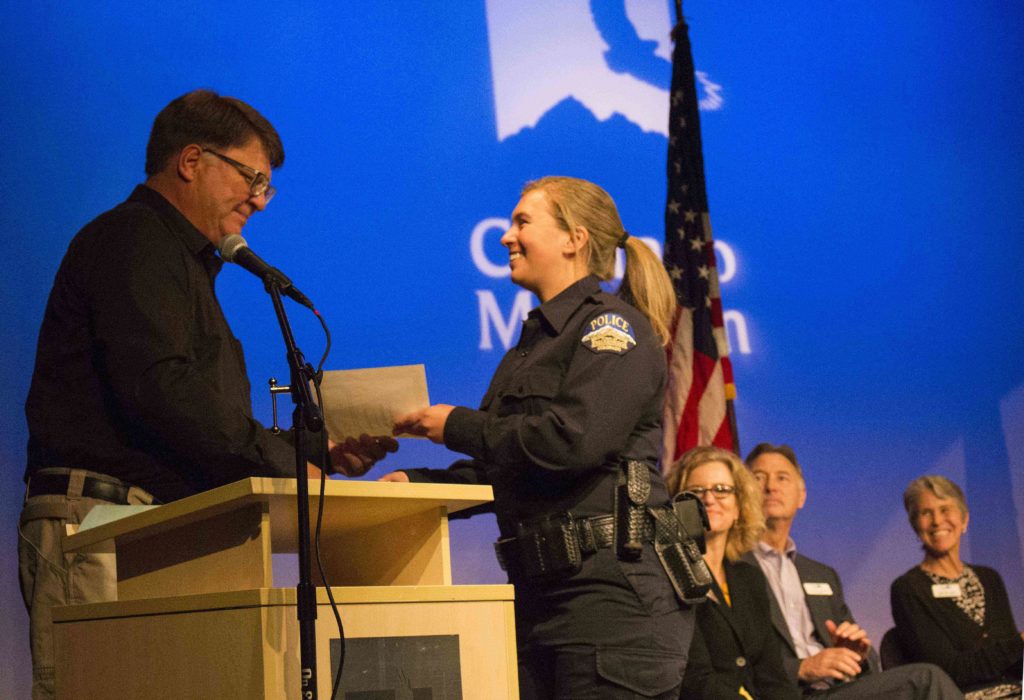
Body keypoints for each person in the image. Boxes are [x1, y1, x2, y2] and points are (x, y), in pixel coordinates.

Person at [18, 89, 395, 700]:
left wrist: (316, 450)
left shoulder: (183, 262)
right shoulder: (132, 240)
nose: (258, 201)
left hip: (153, 526)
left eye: (266, 187)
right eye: (252, 179)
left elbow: (201, 412)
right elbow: (162, 391)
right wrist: (286, 464)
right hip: (99, 527)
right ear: (191, 161)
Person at [381, 176, 691, 698]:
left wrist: (454, 424)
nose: (507, 236)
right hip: (539, 600)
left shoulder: (611, 330)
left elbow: (571, 443)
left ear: (575, 238)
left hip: (611, 603)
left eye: (523, 221)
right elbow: (506, 462)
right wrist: (413, 485)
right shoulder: (533, 344)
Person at [744, 443, 962, 699]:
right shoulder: (733, 569)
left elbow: (869, 660)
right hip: (782, 694)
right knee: (925, 680)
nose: (771, 487)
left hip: (839, 691)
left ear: (801, 496)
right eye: (759, 478)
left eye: (782, 477)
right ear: (744, 494)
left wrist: (857, 654)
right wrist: (802, 668)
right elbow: (731, 660)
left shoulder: (821, 575)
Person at [667, 446, 800, 700]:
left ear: (739, 506)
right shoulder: (671, 575)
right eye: (696, 491)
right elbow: (694, 679)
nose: (709, 499)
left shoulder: (749, 578)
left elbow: (772, 675)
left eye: (721, 490)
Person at [891, 475, 1023, 698]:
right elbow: (947, 671)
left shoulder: (989, 578)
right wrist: (1018, 643)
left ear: (964, 520)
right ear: (915, 526)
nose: (936, 521)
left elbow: (1014, 664)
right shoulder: (909, 589)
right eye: (925, 513)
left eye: (945, 510)